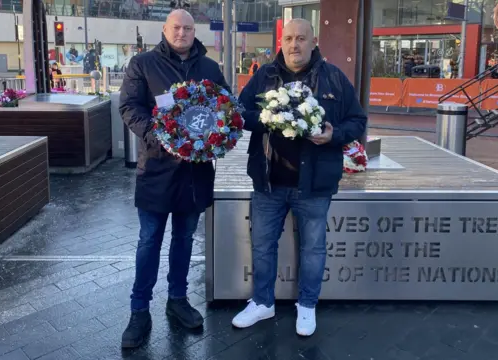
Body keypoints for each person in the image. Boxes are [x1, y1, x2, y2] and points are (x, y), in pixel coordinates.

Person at [231, 18, 367, 336]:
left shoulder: (334, 77)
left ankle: (307, 306)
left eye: (301, 38)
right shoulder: (264, 75)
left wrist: (334, 135)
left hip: (315, 184)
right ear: (282, 41)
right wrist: (267, 118)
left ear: (313, 41)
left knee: (314, 249)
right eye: (289, 38)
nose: (295, 45)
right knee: (263, 245)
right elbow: (238, 113)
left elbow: (357, 120)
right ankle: (263, 303)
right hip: (269, 181)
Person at [119, 9, 230, 348]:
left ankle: (177, 300)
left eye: (188, 28)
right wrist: (160, 136)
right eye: (176, 28)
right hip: (156, 169)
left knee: (183, 240)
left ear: (195, 31)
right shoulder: (143, 64)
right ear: (165, 30)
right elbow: (129, 108)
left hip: (195, 174)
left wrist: (221, 132)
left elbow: (225, 109)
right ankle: (139, 310)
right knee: (149, 241)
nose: (182, 33)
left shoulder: (210, 69)